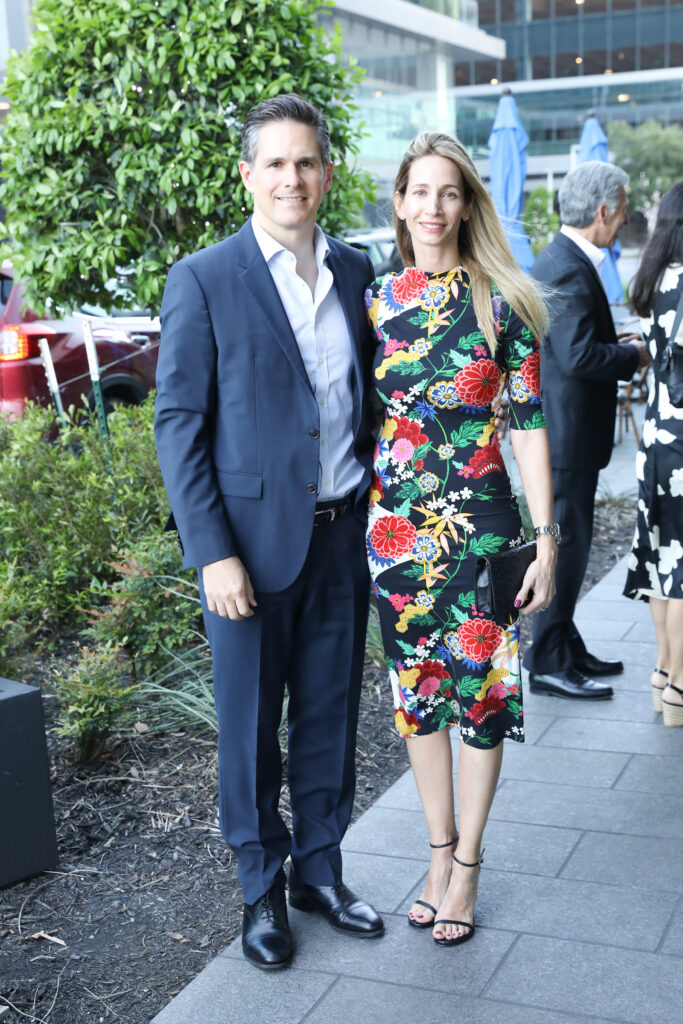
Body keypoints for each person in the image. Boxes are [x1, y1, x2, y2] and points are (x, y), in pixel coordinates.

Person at [154, 94, 384, 972]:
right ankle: (261, 891)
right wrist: (211, 550)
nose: (292, 178)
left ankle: (321, 872)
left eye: (306, 162)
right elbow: (177, 422)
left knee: (327, 714)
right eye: (275, 163)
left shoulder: (358, 273)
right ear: (248, 174)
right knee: (250, 729)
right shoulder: (205, 278)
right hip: (245, 550)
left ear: (326, 173)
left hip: (340, 539)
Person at [365, 131, 557, 946]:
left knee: (477, 701)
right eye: (421, 191)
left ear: (465, 203)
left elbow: (529, 428)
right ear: (400, 201)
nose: (434, 207)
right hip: (396, 534)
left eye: (450, 193)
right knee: (419, 705)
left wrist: (546, 541)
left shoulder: (500, 300)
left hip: (482, 532)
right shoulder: (377, 300)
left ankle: (467, 868)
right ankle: (435, 855)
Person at [523, 161, 650, 699]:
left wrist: (614, 339)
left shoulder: (561, 258)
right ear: (603, 211)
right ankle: (549, 659)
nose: (625, 219)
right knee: (566, 548)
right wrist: (635, 353)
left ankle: (563, 645)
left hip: (569, 432)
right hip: (569, 436)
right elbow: (577, 356)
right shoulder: (571, 266)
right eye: (622, 208)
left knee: (571, 546)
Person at [624, 182, 683, 726]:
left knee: (665, 562)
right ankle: (680, 689)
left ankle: (664, 672)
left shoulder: (652, 279)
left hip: (656, 438)